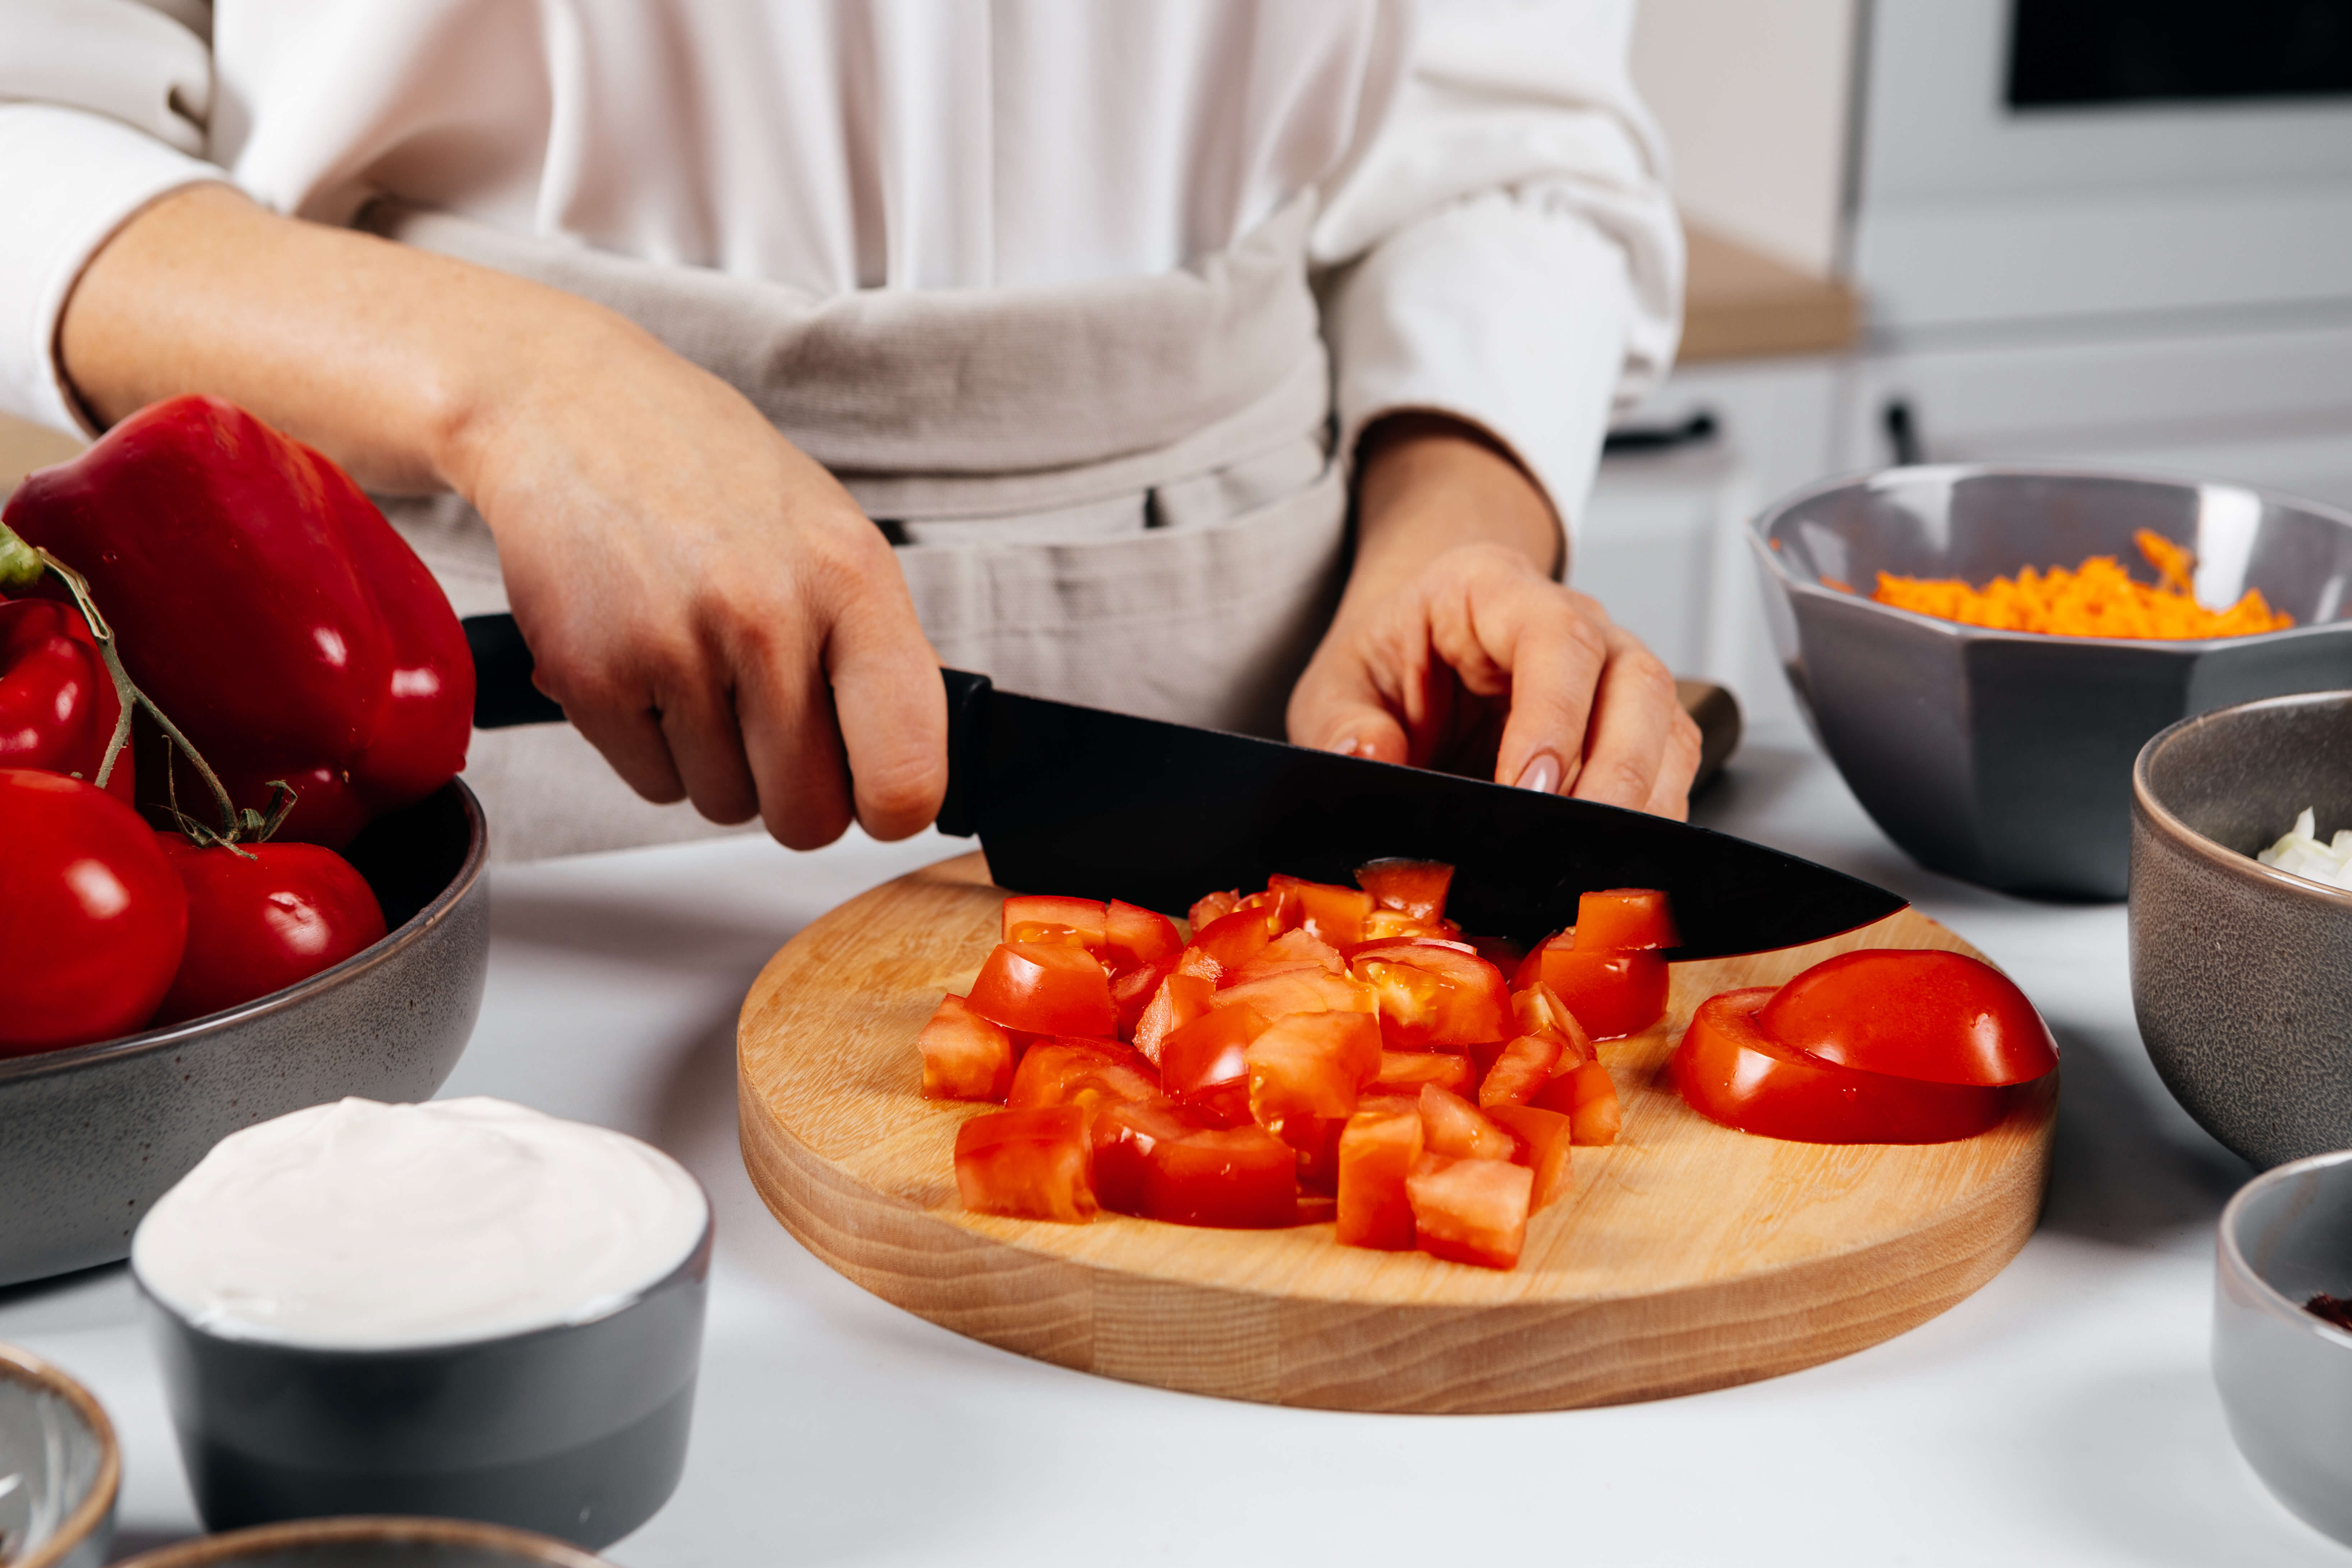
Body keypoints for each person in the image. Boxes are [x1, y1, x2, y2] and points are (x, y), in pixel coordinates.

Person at [0, 0, 1698, 860]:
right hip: (485, 702)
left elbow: (1505, 145)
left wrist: (1452, 544)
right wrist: (535, 389)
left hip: (1276, 708)